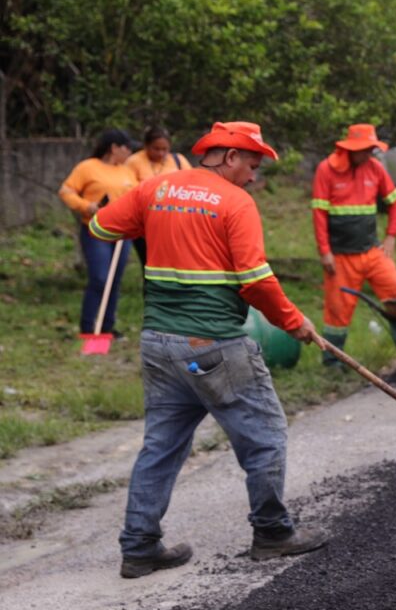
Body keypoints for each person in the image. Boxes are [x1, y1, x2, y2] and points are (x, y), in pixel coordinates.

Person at [89, 121, 327, 578]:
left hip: (160, 344)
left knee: (160, 447)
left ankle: (139, 546)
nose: (254, 176)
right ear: (229, 157)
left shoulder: (154, 187)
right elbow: (255, 280)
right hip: (214, 345)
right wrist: (294, 323)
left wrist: (151, 219)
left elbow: (101, 227)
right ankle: (274, 533)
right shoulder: (236, 203)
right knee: (265, 438)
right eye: (252, 165)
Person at [311, 124, 396, 368]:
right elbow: (318, 214)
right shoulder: (326, 170)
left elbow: (395, 201)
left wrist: (391, 236)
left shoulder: (375, 169)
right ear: (352, 149)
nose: (369, 154)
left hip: (372, 252)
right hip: (340, 257)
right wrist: (325, 252)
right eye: (366, 149)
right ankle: (332, 363)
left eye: (372, 149)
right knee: (337, 311)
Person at [58, 129, 145, 338]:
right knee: (99, 278)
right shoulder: (88, 167)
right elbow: (66, 191)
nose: (131, 152)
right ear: (114, 148)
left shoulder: (127, 171)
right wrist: (86, 206)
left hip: (122, 234)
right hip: (95, 231)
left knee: (114, 280)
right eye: (127, 148)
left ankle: (107, 327)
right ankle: (88, 327)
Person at [125, 127, 193, 267]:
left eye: (165, 149)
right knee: (150, 263)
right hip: (144, 224)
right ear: (146, 146)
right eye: (156, 148)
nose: (161, 153)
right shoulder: (134, 162)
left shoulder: (178, 160)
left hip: (174, 221)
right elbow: (128, 190)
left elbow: (191, 185)